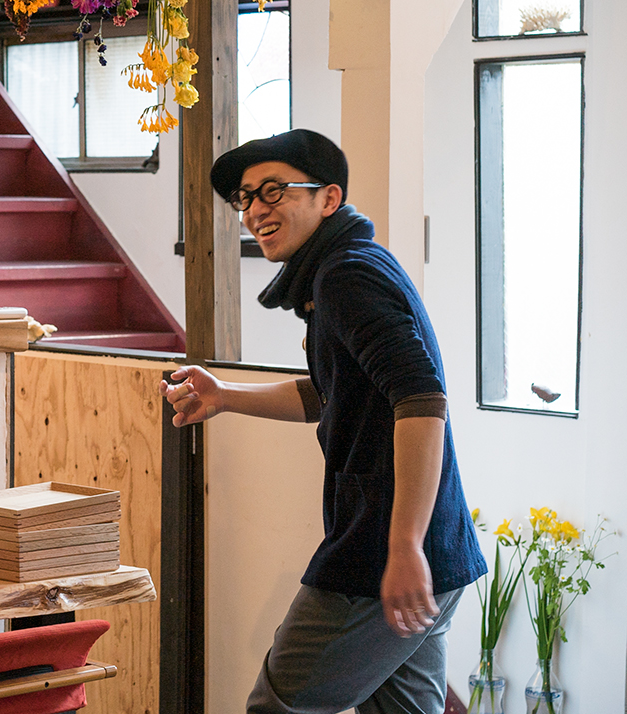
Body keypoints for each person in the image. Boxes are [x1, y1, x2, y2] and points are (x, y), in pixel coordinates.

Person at [161, 129, 485, 714]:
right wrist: (225, 395)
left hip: (381, 555)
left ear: (328, 198)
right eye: (246, 197)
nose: (256, 208)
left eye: (275, 190)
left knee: (278, 707)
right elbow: (337, 392)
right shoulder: (347, 267)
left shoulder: (345, 277)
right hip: (439, 550)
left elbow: (421, 399)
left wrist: (403, 546)